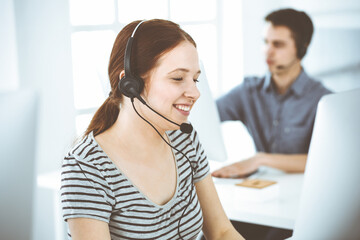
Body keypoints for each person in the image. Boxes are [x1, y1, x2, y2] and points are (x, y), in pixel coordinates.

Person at [60, 19, 243, 240]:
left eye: (195, 79)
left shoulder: (185, 139)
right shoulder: (86, 167)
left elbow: (222, 232)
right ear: (130, 84)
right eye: (178, 78)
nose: (195, 93)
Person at [212, 8, 332, 179]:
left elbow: (324, 160)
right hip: (264, 188)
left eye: (278, 44)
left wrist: (261, 160)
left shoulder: (323, 100)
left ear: (302, 48)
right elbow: (207, 115)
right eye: (265, 42)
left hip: (306, 189)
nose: (268, 51)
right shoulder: (248, 91)